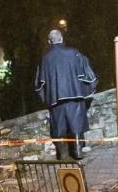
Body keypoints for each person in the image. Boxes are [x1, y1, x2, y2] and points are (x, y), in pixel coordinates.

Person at [33, 28, 98, 160]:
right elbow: (88, 74)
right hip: (75, 96)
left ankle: (63, 155)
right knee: (76, 123)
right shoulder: (74, 53)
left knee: (59, 127)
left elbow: (39, 83)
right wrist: (89, 88)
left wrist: (46, 99)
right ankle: (78, 152)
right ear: (62, 39)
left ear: (49, 41)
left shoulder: (45, 59)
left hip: (55, 100)